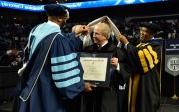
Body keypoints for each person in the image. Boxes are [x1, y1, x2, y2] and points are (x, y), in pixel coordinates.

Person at [13, 4, 90, 112]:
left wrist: (74, 34)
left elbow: (54, 42)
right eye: (65, 18)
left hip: (31, 86)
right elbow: (64, 77)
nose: (66, 20)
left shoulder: (36, 30)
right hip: (47, 93)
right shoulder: (58, 39)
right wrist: (80, 86)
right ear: (59, 18)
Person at [81, 22, 131, 112]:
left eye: (97, 33)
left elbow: (127, 69)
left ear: (105, 36)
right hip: (90, 91)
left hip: (107, 93)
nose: (93, 36)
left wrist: (118, 65)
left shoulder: (116, 51)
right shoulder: (88, 50)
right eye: (93, 33)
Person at [119, 22, 161, 112]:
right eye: (141, 30)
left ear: (152, 34)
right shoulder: (137, 45)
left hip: (146, 83)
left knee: (143, 106)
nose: (142, 33)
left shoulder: (155, 46)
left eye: (145, 31)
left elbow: (141, 62)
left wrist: (126, 43)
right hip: (133, 80)